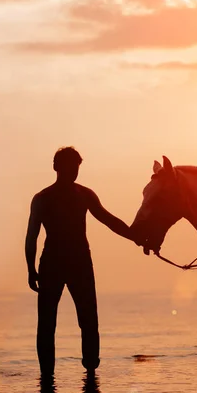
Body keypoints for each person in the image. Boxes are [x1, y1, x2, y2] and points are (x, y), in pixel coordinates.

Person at [25, 147, 134, 376]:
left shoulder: (85, 194)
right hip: (52, 263)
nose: (73, 172)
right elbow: (31, 235)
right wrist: (31, 269)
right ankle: (47, 376)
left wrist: (136, 237)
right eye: (68, 167)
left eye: (76, 167)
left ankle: (91, 370)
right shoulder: (42, 198)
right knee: (46, 323)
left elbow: (108, 220)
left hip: (80, 263)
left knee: (88, 320)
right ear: (56, 167)